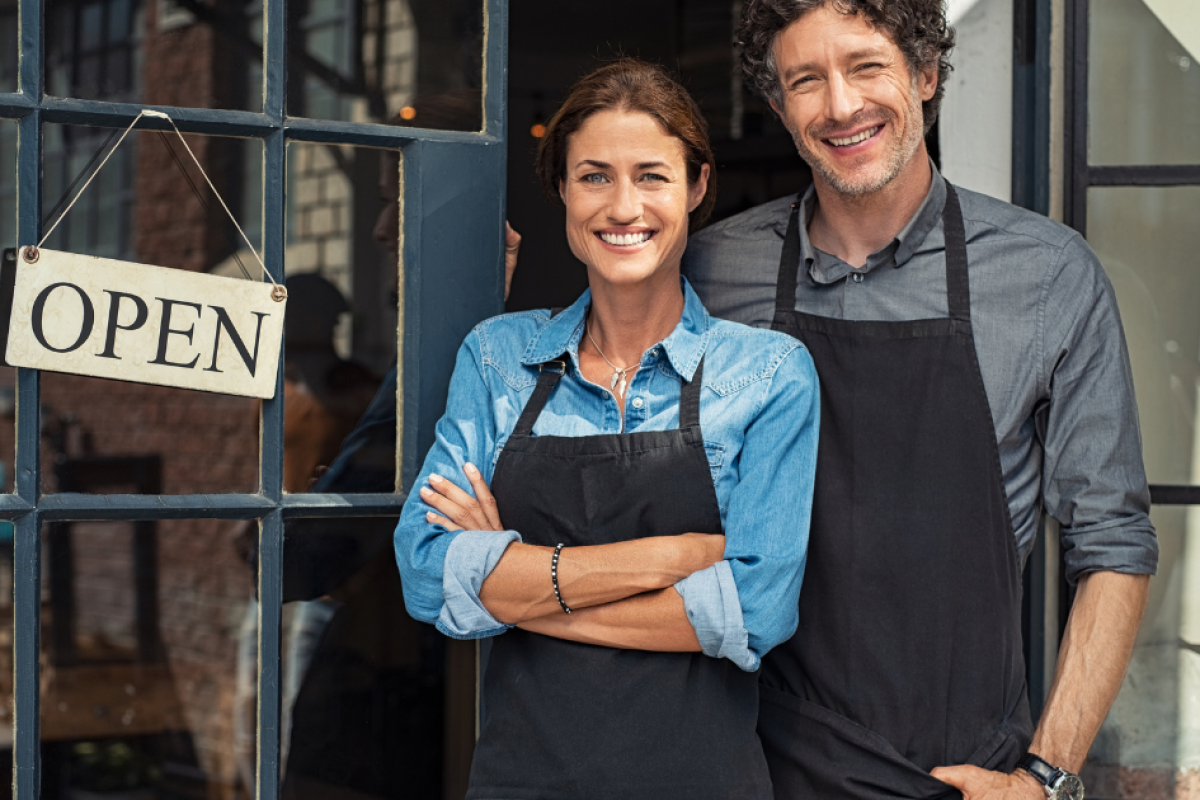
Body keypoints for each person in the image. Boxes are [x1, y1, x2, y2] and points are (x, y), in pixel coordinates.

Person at [681, 1, 1158, 799]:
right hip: (752, 764)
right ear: (779, 107)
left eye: (867, 67)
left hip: (959, 776)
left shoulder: (1046, 277)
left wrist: (1044, 780)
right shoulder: (710, 273)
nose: (840, 106)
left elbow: (1111, 542)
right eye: (806, 81)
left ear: (927, 75)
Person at [394, 58, 819, 799]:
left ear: (697, 186)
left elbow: (754, 614)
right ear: (561, 189)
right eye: (594, 176)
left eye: (652, 176)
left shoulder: (767, 375)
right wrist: (672, 557)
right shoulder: (499, 358)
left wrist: (513, 590)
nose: (623, 207)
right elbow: (427, 574)